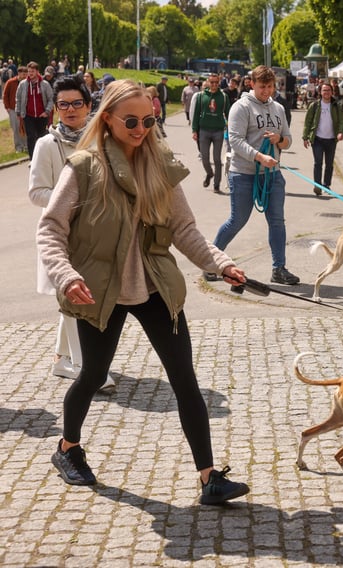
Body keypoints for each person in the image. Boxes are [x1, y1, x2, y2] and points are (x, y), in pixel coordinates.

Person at [36, 79, 251, 504]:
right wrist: (66, 275)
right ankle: (67, 448)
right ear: (109, 119)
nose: (140, 129)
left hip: (154, 285)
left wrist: (220, 263)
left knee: (184, 379)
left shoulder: (160, 164)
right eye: (131, 121)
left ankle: (210, 478)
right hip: (100, 290)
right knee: (93, 375)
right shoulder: (83, 166)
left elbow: (184, 229)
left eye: (149, 120)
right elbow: (50, 229)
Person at [28, 75, 117, 393]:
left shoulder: (100, 140)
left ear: (88, 105)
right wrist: (73, 200)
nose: (70, 109)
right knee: (76, 295)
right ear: (55, 108)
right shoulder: (46, 145)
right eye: (62, 104)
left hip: (96, 232)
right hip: (61, 234)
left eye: (76, 103)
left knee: (79, 295)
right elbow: (36, 192)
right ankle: (86, 369)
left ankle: (63, 359)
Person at [210, 65, 299, 286]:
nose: (266, 91)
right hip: (244, 174)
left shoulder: (278, 108)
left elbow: (288, 140)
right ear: (252, 84)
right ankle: (211, 262)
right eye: (262, 87)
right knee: (237, 220)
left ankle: (279, 268)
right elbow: (236, 141)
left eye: (270, 86)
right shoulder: (240, 107)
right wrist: (260, 157)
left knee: (277, 221)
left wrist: (279, 140)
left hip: (272, 175)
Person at [302, 82, 343, 196]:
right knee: (318, 163)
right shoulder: (315, 105)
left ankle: (326, 185)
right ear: (320, 92)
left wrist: (341, 132)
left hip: (331, 140)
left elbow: (342, 120)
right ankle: (317, 185)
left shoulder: (336, 105)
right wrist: (305, 137)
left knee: (329, 164)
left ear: (332, 92)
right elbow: (308, 122)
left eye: (328, 90)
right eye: (324, 90)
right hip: (317, 139)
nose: (326, 92)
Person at [192, 73, 230, 194]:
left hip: (218, 131)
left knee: (217, 159)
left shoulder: (223, 96)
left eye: (216, 82)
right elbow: (196, 114)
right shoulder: (201, 96)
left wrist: (230, 128)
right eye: (211, 82)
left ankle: (216, 184)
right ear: (208, 82)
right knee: (204, 158)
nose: (214, 85)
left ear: (219, 83)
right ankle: (209, 173)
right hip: (204, 130)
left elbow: (229, 114)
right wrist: (194, 130)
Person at [15, 61, 54, 159]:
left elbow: (51, 99)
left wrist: (47, 111)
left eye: (32, 71)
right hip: (28, 115)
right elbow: (18, 98)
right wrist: (18, 111)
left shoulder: (45, 84)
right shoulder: (23, 84)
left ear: (37, 71)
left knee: (41, 137)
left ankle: (42, 157)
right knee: (31, 136)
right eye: (29, 71)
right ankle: (32, 158)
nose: (30, 73)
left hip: (42, 115)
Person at [3, 66, 27, 153]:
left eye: (26, 74)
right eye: (23, 74)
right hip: (13, 109)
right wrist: (7, 108)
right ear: (18, 73)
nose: (24, 76)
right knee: (16, 129)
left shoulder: (28, 82)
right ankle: (18, 147)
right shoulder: (10, 82)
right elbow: (5, 95)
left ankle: (26, 145)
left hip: (25, 109)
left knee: (25, 128)